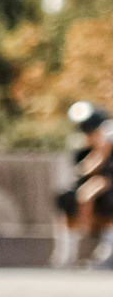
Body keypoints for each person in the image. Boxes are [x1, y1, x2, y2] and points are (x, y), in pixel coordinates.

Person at [62, 99, 112, 270]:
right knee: (67, 198)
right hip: (93, 186)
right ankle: (68, 253)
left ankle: (106, 253)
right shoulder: (84, 147)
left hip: (106, 187)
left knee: (104, 200)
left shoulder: (108, 140)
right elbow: (83, 170)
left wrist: (104, 149)